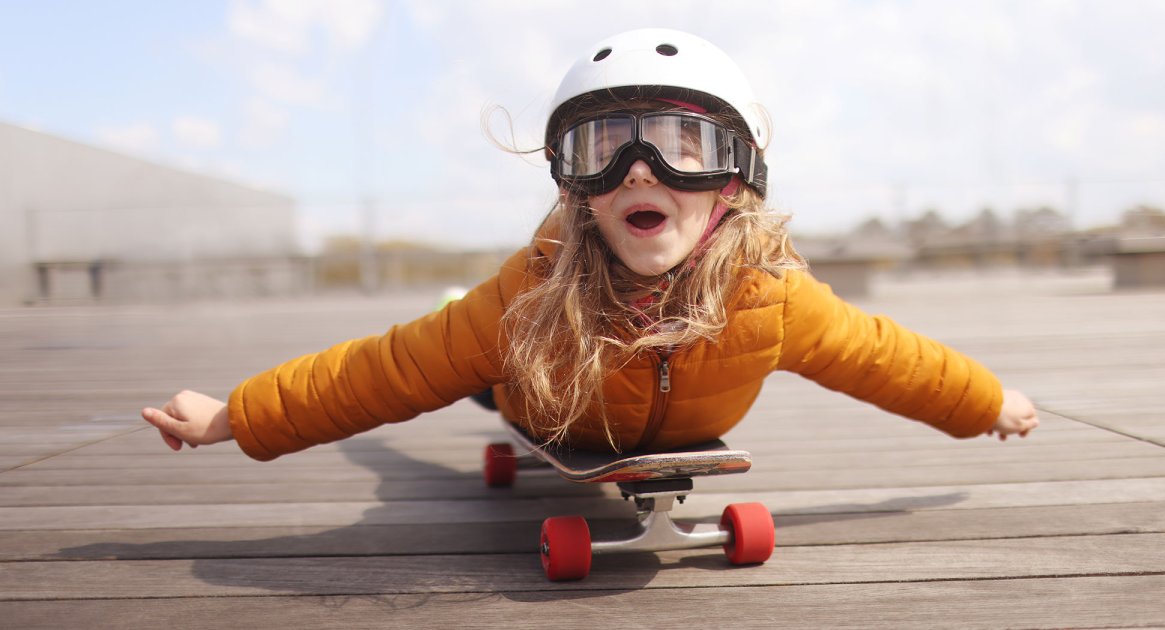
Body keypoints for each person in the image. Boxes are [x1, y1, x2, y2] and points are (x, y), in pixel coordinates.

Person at [141, 28, 1039, 461]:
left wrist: (986, 401)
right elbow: (387, 370)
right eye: (605, 152)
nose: (641, 173)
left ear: (737, 179)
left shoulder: (772, 297)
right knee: (471, 360)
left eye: (682, 148)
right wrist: (239, 413)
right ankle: (482, 358)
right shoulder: (529, 297)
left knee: (475, 346)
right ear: (573, 184)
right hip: (543, 400)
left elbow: (886, 358)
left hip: (685, 420)